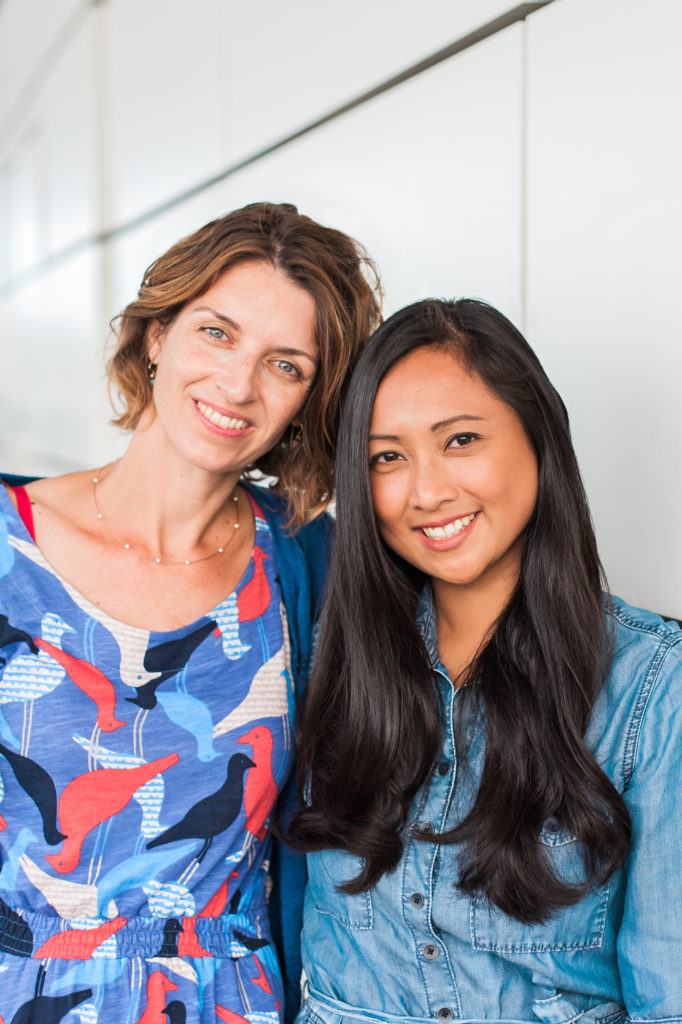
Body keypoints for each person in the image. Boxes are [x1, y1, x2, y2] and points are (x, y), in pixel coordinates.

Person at [0, 201, 380, 1024]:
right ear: (155, 335)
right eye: (217, 332)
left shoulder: (311, 565)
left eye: (287, 366)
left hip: (226, 1003)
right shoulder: (7, 546)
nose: (238, 385)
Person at [291, 298, 682, 1023]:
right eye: (387, 457)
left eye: (461, 439)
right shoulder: (328, 657)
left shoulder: (652, 684)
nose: (428, 491)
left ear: (539, 438)